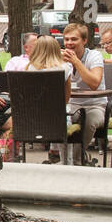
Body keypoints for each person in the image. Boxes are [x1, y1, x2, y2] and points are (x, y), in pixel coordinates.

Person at [23, 35, 74, 163]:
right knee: (71, 114)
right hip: (59, 121)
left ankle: (53, 153)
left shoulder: (29, 68)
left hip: (32, 121)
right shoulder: (65, 68)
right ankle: (68, 160)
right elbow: (66, 98)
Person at [62, 22, 106, 164]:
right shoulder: (61, 57)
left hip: (95, 106)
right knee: (54, 117)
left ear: (84, 40)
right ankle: (61, 159)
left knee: (89, 120)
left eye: (74, 39)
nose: (69, 43)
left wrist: (76, 62)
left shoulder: (94, 56)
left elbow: (94, 84)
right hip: (71, 106)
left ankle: (77, 160)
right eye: (66, 39)